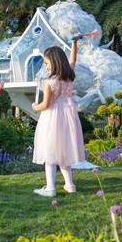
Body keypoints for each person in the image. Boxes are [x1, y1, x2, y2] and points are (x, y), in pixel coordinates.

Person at [31, 38, 85, 197]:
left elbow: (45, 104)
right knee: (63, 151)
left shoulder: (50, 82)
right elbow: (73, 60)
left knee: (50, 151)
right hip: (68, 116)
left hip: (52, 117)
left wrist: (35, 106)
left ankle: (50, 188)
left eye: (47, 63)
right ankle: (70, 184)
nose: (46, 66)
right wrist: (74, 44)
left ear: (54, 62)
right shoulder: (69, 77)